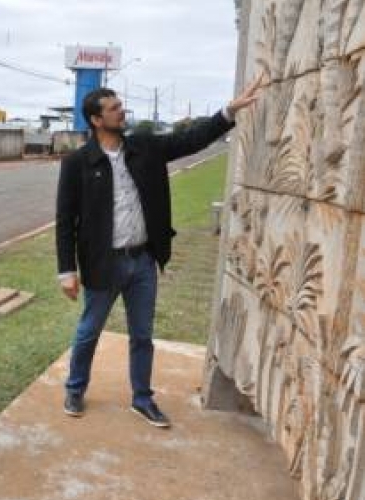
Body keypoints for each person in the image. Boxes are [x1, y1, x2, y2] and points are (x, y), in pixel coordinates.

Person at [55, 78, 261, 426]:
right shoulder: (77, 162)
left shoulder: (145, 147)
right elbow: (65, 219)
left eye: (121, 106)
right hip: (103, 263)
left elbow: (189, 140)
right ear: (95, 119)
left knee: (142, 334)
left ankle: (142, 398)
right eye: (114, 108)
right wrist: (67, 270)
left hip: (142, 261)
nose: (122, 112)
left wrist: (228, 112)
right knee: (89, 330)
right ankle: (75, 388)